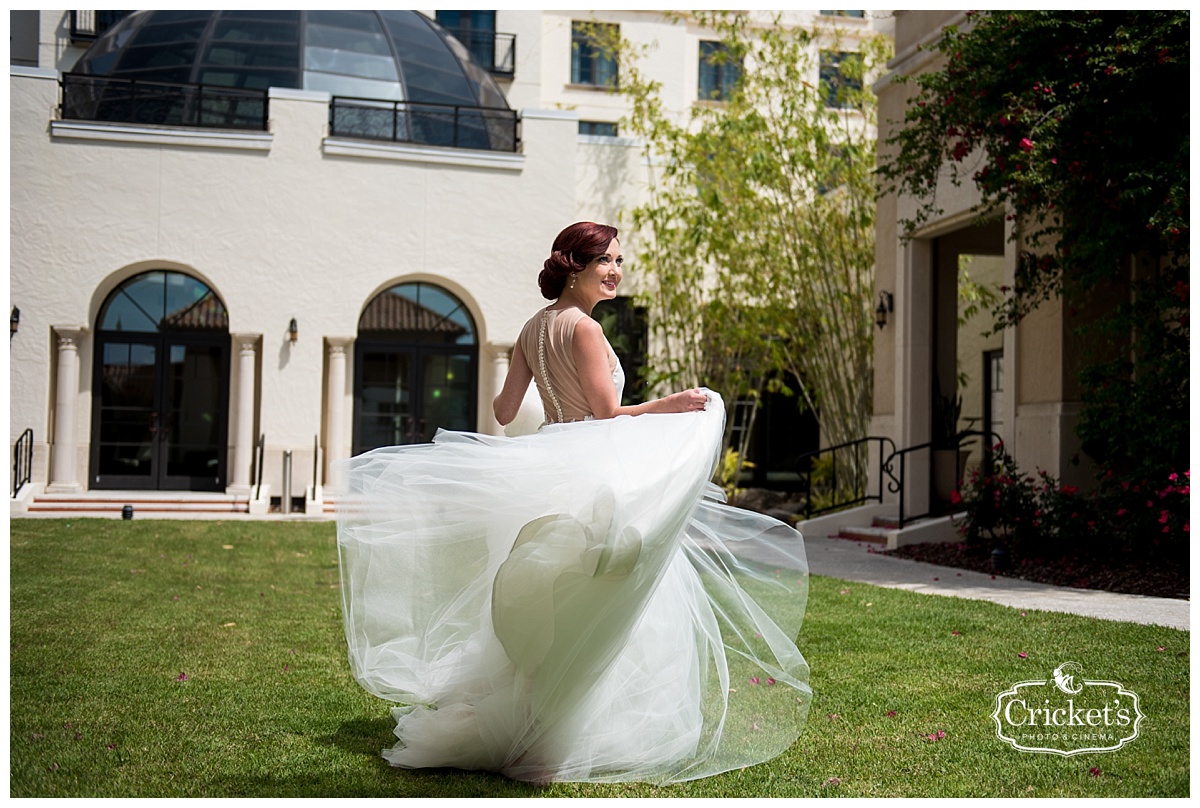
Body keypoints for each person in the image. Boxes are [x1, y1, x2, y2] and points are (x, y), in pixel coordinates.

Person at [337, 222, 810, 785]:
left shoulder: (531, 329)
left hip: (549, 469)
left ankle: (533, 727)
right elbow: (608, 415)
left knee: (546, 605)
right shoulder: (583, 329)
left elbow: (506, 411)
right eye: (606, 260)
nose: (615, 271)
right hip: (591, 470)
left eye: (618, 261)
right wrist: (675, 402)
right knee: (596, 601)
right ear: (576, 266)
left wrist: (541, 385)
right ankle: (556, 741)